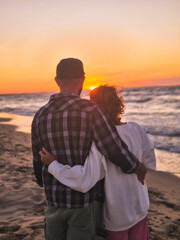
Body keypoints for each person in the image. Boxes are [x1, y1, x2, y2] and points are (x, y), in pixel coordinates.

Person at [32, 58, 147, 240]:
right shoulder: (91, 110)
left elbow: (38, 160)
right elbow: (114, 149)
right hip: (84, 203)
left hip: (54, 201)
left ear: (56, 80)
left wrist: (42, 180)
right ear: (83, 79)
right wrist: (135, 166)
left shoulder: (40, 115)